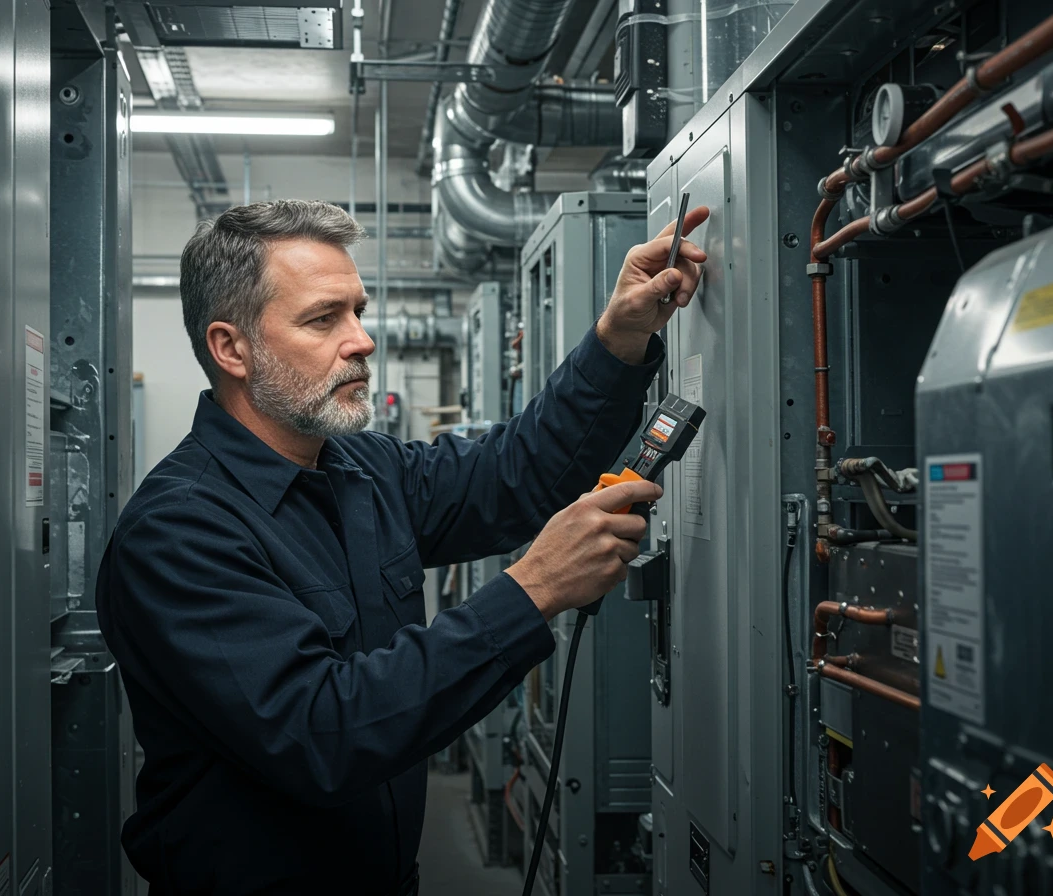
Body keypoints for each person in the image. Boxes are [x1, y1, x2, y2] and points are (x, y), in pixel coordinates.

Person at [96, 199, 709, 895]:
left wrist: (619, 337)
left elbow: (518, 474)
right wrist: (532, 589)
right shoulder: (179, 532)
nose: (361, 339)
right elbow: (322, 734)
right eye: (324, 318)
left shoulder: (365, 470)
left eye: (357, 311)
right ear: (231, 348)